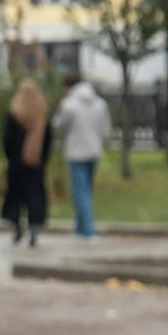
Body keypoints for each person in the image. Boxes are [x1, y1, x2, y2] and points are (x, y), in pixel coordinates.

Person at [54, 74, 110, 240]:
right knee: (86, 190)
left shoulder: (69, 105)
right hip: (94, 151)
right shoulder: (100, 103)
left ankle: (89, 230)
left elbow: (58, 126)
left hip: (76, 153)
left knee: (80, 191)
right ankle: (80, 228)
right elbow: (106, 130)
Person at [0, 78, 50, 246]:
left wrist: (10, 157)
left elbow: (7, 140)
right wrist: (43, 159)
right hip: (35, 164)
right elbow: (48, 141)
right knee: (35, 196)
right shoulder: (41, 115)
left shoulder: (14, 114)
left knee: (16, 195)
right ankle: (34, 228)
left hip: (16, 163)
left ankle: (17, 228)